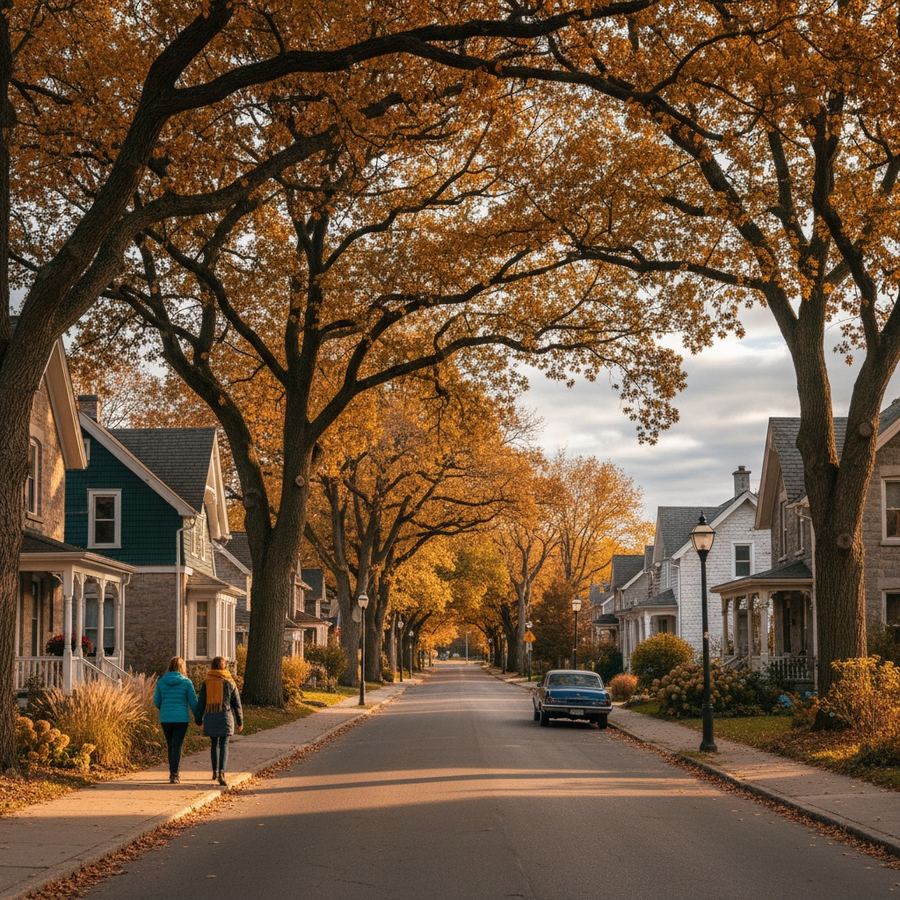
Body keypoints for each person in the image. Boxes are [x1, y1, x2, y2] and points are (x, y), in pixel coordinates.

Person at [195, 655, 243, 786]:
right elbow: (236, 703)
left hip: (211, 716)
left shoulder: (207, 682)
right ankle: (222, 772)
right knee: (224, 745)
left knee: (214, 744)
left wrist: (198, 719)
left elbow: (201, 702)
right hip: (225, 716)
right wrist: (240, 721)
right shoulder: (230, 682)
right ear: (224, 667)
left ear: (212, 667)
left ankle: (214, 771)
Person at [153, 656, 197, 784]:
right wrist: (199, 717)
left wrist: (165, 708)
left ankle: (172, 773)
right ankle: (174, 774)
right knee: (177, 745)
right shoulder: (187, 683)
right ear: (182, 667)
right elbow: (193, 702)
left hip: (166, 718)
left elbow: (156, 701)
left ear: (170, 666)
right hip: (181, 718)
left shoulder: (161, 682)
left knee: (170, 745)